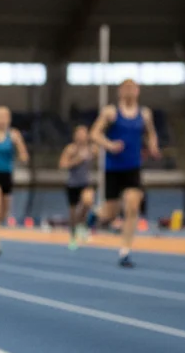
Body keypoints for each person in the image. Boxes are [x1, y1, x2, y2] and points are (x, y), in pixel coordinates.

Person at [90, 79, 161, 268]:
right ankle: (95, 215)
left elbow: (151, 133)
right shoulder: (111, 112)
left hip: (133, 168)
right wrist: (109, 145)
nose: (129, 91)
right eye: (126, 88)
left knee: (132, 206)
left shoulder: (144, 114)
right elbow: (94, 133)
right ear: (120, 91)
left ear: (138, 91)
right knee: (110, 213)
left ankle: (125, 252)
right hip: (113, 168)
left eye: (133, 88)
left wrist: (153, 146)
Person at [0, 106, 29, 257]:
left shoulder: (14, 135)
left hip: (7, 175)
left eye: (5, 116)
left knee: (3, 212)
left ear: (9, 119)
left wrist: (21, 153)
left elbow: (24, 155)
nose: (2, 119)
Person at [59, 126, 97, 250]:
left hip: (85, 182)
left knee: (88, 201)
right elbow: (62, 164)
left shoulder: (91, 149)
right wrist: (76, 160)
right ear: (75, 136)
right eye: (79, 134)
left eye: (84, 133)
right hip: (72, 184)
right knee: (73, 213)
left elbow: (98, 157)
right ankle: (73, 236)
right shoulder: (71, 149)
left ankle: (82, 226)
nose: (82, 136)